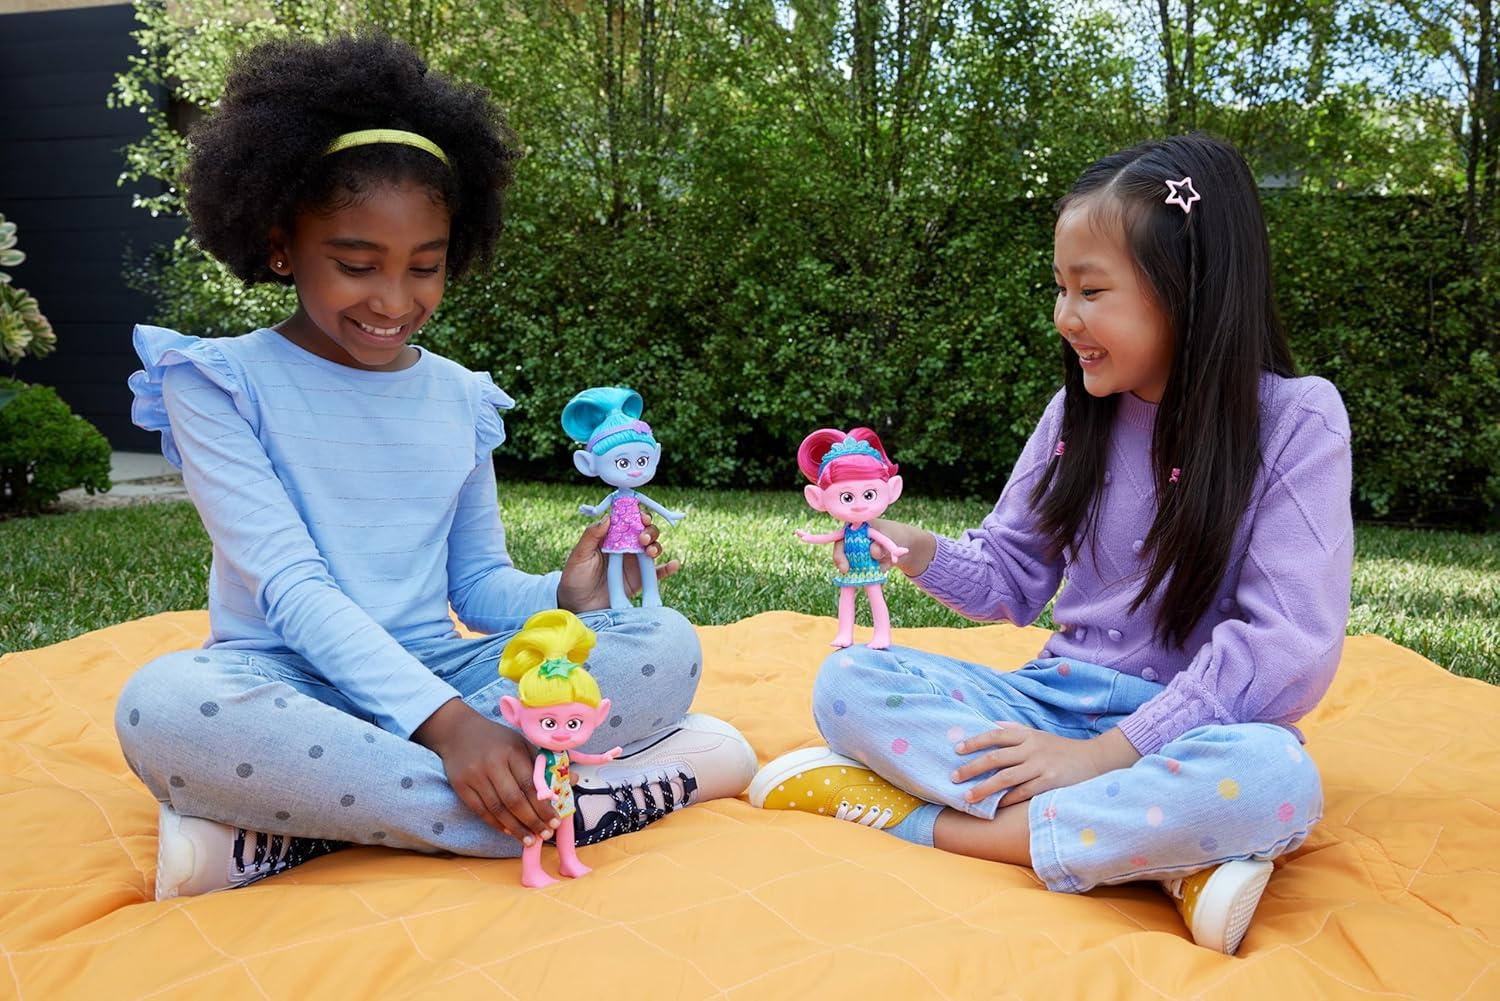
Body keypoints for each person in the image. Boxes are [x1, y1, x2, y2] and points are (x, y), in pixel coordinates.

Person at [115, 32, 756, 900]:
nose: (394, 300)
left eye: (426, 267)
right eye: (356, 265)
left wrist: (565, 596)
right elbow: (290, 587)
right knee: (163, 705)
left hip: (441, 674)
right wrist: (450, 730)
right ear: (280, 243)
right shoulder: (215, 381)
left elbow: (477, 586)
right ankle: (596, 801)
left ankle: (295, 832)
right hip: (288, 680)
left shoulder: (461, 397)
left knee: (660, 644)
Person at [750, 133, 1353, 956]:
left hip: (1195, 729)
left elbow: (1287, 647)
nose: (1066, 317)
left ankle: (924, 821)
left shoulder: (1298, 420)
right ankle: (1165, 857)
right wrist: (914, 547)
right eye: (1061, 287)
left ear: (1191, 287)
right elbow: (1010, 576)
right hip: (1049, 704)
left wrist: (1101, 756)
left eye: (1092, 290)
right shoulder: (1075, 417)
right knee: (850, 680)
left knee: (1275, 779)